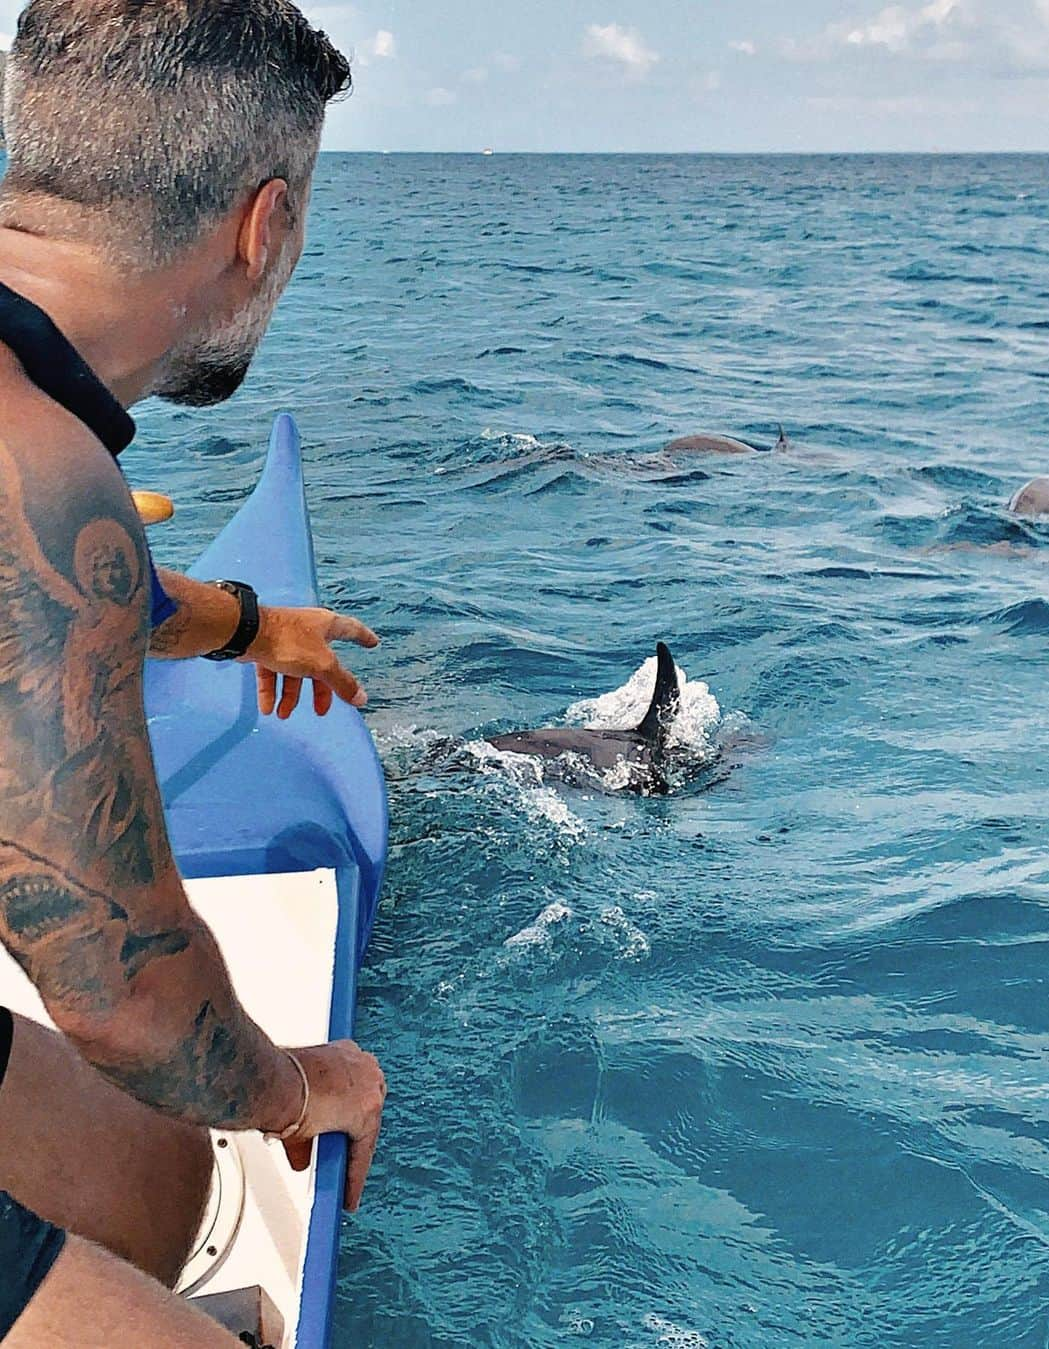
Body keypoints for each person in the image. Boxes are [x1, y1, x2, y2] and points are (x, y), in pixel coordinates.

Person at [0, 1, 386, 1343]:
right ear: (261, 228)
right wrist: (299, 1085)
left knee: (157, 1183)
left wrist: (242, 626)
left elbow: (51, 592)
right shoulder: (38, 468)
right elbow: (123, 996)